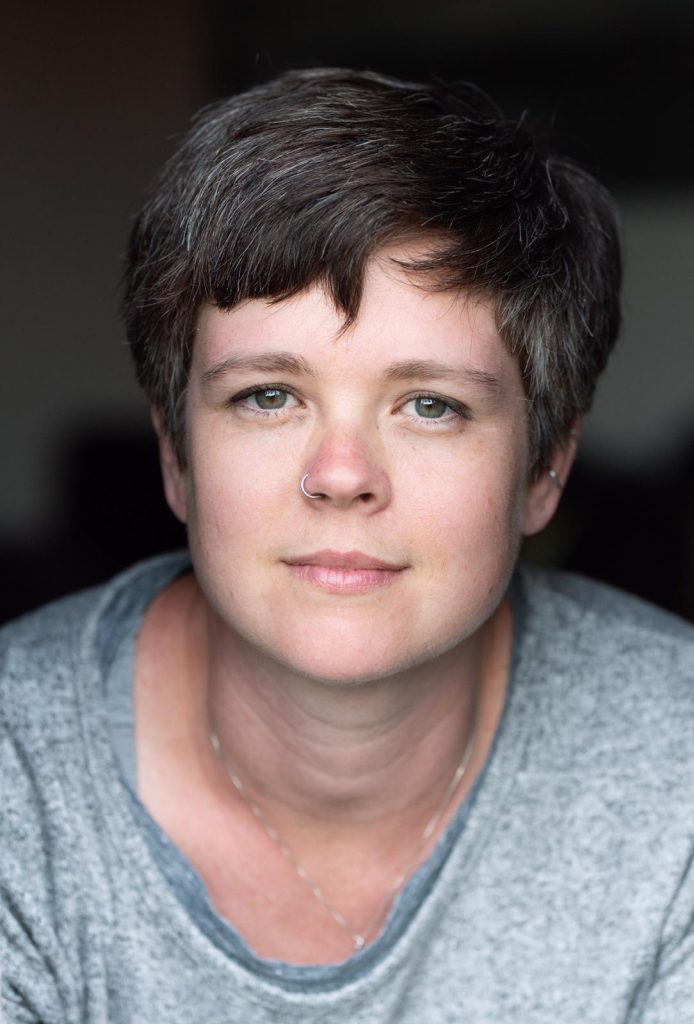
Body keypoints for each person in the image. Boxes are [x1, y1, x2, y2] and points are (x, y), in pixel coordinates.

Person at [1, 67, 692, 1024]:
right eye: (268, 395)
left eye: (430, 406)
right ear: (177, 456)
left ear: (544, 469)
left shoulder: (675, 769)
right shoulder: (17, 782)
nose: (340, 474)